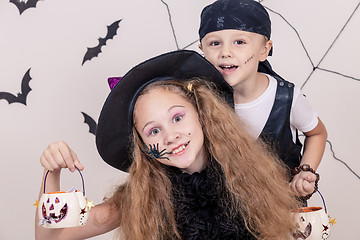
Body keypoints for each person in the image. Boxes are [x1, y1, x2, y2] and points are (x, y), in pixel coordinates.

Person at [35, 50, 300, 240]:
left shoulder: (251, 176)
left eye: (177, 117)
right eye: (153, 131)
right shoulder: (141, 199)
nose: (170, 136)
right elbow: (51, 238)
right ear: (141, 145)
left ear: (202, 114)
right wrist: (53, 172)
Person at [197, 0, 328, 200]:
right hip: (224, 220)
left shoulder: (286, 98)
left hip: (281, 212)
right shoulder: (198, 101)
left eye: (239, 42)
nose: (225, 52)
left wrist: (305, 170)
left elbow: (318, 133)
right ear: (202, 51)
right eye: (215, 43)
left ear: (264, 50)